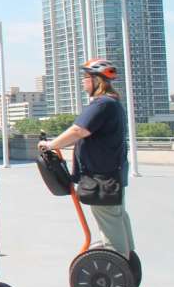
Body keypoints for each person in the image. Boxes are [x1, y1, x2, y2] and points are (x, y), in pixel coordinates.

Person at [38, 58, 137, 260]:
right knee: (116, 217)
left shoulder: (102, 104)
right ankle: (126, 260)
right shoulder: (113, 104)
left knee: (110, 220)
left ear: (96, 80)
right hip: (110, 174)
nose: (83, 82)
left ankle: (118, 264)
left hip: (102, 177)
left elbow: (78, 130)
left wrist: (51, 145)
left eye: (85, 77)